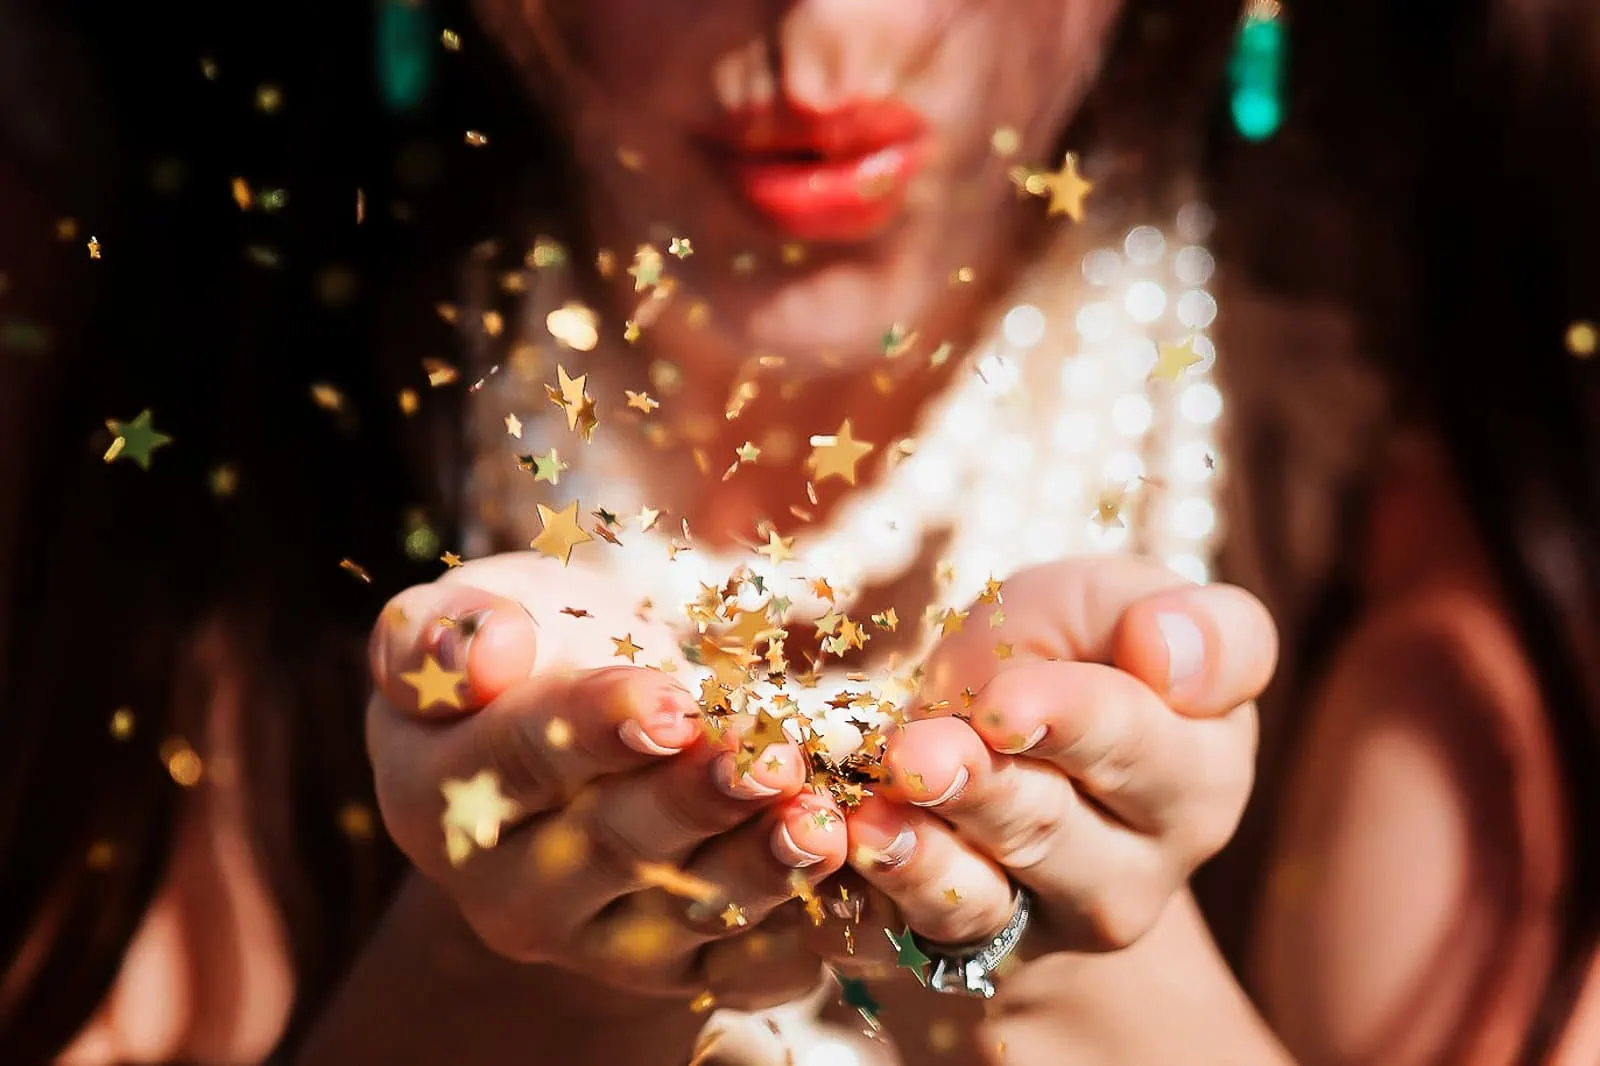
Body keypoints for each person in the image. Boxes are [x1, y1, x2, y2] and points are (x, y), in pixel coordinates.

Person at [0, 4, 1593, 1066]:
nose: (814, 23)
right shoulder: (181, 392)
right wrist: (504, 973)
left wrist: (1071, 982)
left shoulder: (1467, 443)